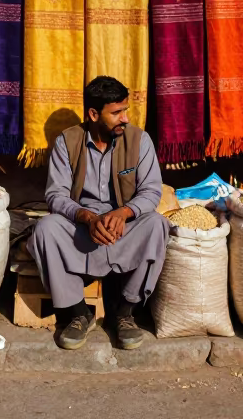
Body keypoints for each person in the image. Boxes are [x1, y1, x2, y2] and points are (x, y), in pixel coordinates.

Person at [28, 76, 169, 351]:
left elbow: (151, 191)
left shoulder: (140, 140)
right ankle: (78, 313)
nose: (125, 118)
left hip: (124, 227)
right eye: (116, 113)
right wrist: (87, 218)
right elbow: (56, 195)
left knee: (156, 224)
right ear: (93, 114)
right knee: (46, 228)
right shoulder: (66, 142)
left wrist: (124, 213)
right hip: (83, 226)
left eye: (125, 110)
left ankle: (124, 314)